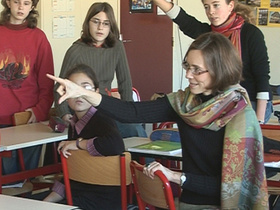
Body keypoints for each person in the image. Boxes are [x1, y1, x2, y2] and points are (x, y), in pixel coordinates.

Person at [48, 32, 268, 209]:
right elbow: (131, 112)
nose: (188, 75)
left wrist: (176, 176)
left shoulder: (239, 114)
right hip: (191, 201)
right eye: (187, 66)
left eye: (197, 70)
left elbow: (237, 186)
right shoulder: (184, 103)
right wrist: (85, 93)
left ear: (220, 70)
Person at [153, 0, 272, 124]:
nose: (211, 12)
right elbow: (184, 20)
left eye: (216, 5)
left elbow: (262, 76)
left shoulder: (251, 33)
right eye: (206, 7)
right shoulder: (210, 34)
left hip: (251, 102)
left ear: (230, 5)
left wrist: (259, 120)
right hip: (222, 102)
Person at [54, 2, 147, 138]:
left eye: (105, 23)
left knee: (135, 128)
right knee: (125, 132)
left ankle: (144, 159)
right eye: (96, 22)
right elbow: (59, 86)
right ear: (88, 23)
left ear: (111, 26)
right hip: (84, 108)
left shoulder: (117, 47)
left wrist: (129, 112)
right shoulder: (75, 50)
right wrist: (64, 113)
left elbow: (125, 82)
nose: (100, 28)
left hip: (106, 105)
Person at [44, 64, 125, 210]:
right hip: (78, 194)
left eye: (85, 88)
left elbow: (116, 145)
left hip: (102, 200)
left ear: (96, 93)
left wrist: (78, 144)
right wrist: (45, 202)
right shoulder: (75, 123)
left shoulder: (102, 117)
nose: (79, 94)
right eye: (72, 88)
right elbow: (71, 173)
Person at [0, 0, 54, 175]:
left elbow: (47, 84)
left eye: (26, 2)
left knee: (27, 179)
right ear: (8, 3)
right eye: (16, 1)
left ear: (32, 6)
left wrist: (39, 111)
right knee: (7, 184)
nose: (21, 7)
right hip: (1, 120)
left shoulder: (39, 38)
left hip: (28, 120)